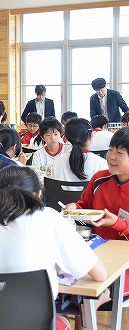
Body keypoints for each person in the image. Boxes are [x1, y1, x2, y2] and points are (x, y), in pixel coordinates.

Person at [0, 166, 107, 330]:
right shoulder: (49, 218)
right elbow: (100, 274)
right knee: (76, 310)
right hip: (32, 324)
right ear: (39, 194)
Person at [65, 127, 129, 298]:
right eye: (110, 150)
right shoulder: (99, 178)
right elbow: (83, 205)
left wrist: (117, 223)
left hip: (125, 262)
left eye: (120, 153)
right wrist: (74, 208)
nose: (111, 157)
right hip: (95, 254)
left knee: (94, 293)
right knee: (69, 288)